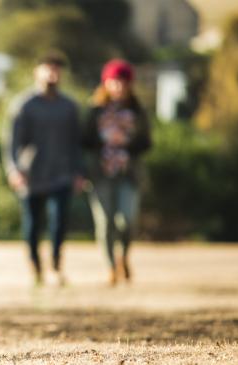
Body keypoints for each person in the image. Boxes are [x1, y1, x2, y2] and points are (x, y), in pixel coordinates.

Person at [3, 53, 85, 286]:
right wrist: (13, 170)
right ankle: (35, 265)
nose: (52, 74)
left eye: (56, 70)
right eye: (48, 69)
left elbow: (76, 143)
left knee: (59, 222)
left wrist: (79, 172)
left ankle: (57, 266)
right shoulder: (24, 104)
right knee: (32, 224)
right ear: (37, 72)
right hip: (32, 174)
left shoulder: (69, 106)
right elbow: (12, 142)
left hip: (62, 174)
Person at [83, 59, 152, 286]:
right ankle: (112, 267)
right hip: (100, 173)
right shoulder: (95, 111)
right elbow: (84, 141)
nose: (119, 86)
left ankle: (124, 256)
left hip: (128, 173)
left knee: (127, 220)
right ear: (106, 84)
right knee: (105, 223)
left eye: (123, 82)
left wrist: (126, 146)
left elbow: (146, 142)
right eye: (114, 82)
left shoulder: (138, 111)